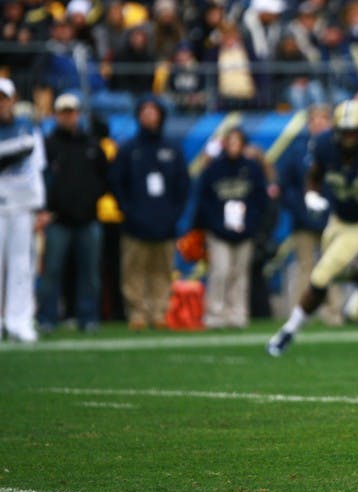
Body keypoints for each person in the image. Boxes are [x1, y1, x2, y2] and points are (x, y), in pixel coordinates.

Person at [267, 99, 358, 355]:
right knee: (336, 272)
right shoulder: (324, 145)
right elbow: (314, 174)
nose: (347, 139)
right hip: (335, 220)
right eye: (343, 132)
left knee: (321, 275)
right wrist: (311, 194)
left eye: (352, 132)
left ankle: (288, 331)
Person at [109, 97, 190, 330]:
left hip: (164, 223)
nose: (149, 116)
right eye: (145, 112)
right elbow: (116, 183)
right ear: (138, 116)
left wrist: (173, 214)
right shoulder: (128, 149)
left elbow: (182, 185)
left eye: (153, 112)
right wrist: (128, 211)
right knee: (133, 271)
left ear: (161, 116)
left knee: (162, 271)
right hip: (135, 224)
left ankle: (159, 312)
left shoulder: (172, 149)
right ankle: (137, 313)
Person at [37, 93, 108, 334]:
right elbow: (39, 180)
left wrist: (91, 201)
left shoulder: (92, 144)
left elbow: (103, 178)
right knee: (52, 271)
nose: (68, 116)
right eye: (64, 112)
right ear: (56, 115)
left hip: (88, 218)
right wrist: (47, 208)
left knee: (89, 273)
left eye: (72, 112)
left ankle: (88, 317)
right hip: (57, 219)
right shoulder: (48, 144)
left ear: (78, 114)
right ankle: (47, 317)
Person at [194, 127, 269, 329]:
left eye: (237, 142)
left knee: (240, 273)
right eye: (230, 141)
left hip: (244, 230)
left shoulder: (252, 168)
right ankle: (215, 314)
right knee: (220, 271)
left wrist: (249, 224)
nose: (233, 146)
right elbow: (205, 201)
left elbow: (260, 200)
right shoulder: (213, 169)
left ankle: (238, 314)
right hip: (219, 231)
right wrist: (217, 224)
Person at [278, 104, 336, 323]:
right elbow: (285, 186)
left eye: (323, 119)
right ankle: (301, 313)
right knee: (305, 268)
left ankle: (332, 312)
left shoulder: (337, 149)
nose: (319, 124)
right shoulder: (297, 150)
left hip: (331, 220)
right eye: (315, 120)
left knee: (332, 266)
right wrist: (301, 210)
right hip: (303, 221)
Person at [0, 78, 45, 342]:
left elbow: (36, 164)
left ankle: (19, 320)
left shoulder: (27, 127)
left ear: (13, 100)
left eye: (4, 98)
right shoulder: (25, 130)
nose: (1, 104)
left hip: (23, 205)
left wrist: (41, 205)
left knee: (21, 265)